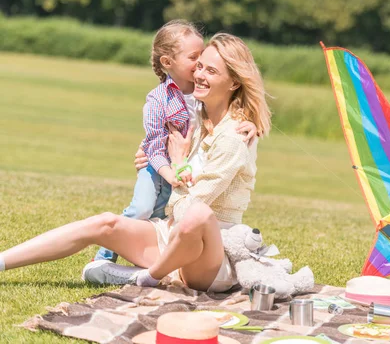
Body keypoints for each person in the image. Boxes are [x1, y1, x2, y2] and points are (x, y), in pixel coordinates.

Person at [0, 33, 270, 292]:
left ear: (234, 82)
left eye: (211, 71)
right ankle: (2, 261)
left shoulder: (234, 137)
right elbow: (161, 141)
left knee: (198, 215)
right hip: (169, 235)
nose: (199, 75)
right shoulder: (197, 116)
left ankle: (147, 278)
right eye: (199, 66)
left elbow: (191, 210)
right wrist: (153, 154)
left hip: (209, 257)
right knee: (105, 223)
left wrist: (176, 164)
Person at [94, 21, 256, 263]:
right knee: (142, 209)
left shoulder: (203, 93)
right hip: (159, 166)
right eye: (194, 58)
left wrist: (253, 124)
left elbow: (227, 116)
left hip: (182, 168)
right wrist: (166, 169)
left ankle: (151, 260)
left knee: (163, 215)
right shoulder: (158, 99)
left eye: (202, 57)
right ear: (168, 63)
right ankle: (105, 254)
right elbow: (154, 144)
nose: (200, 66)